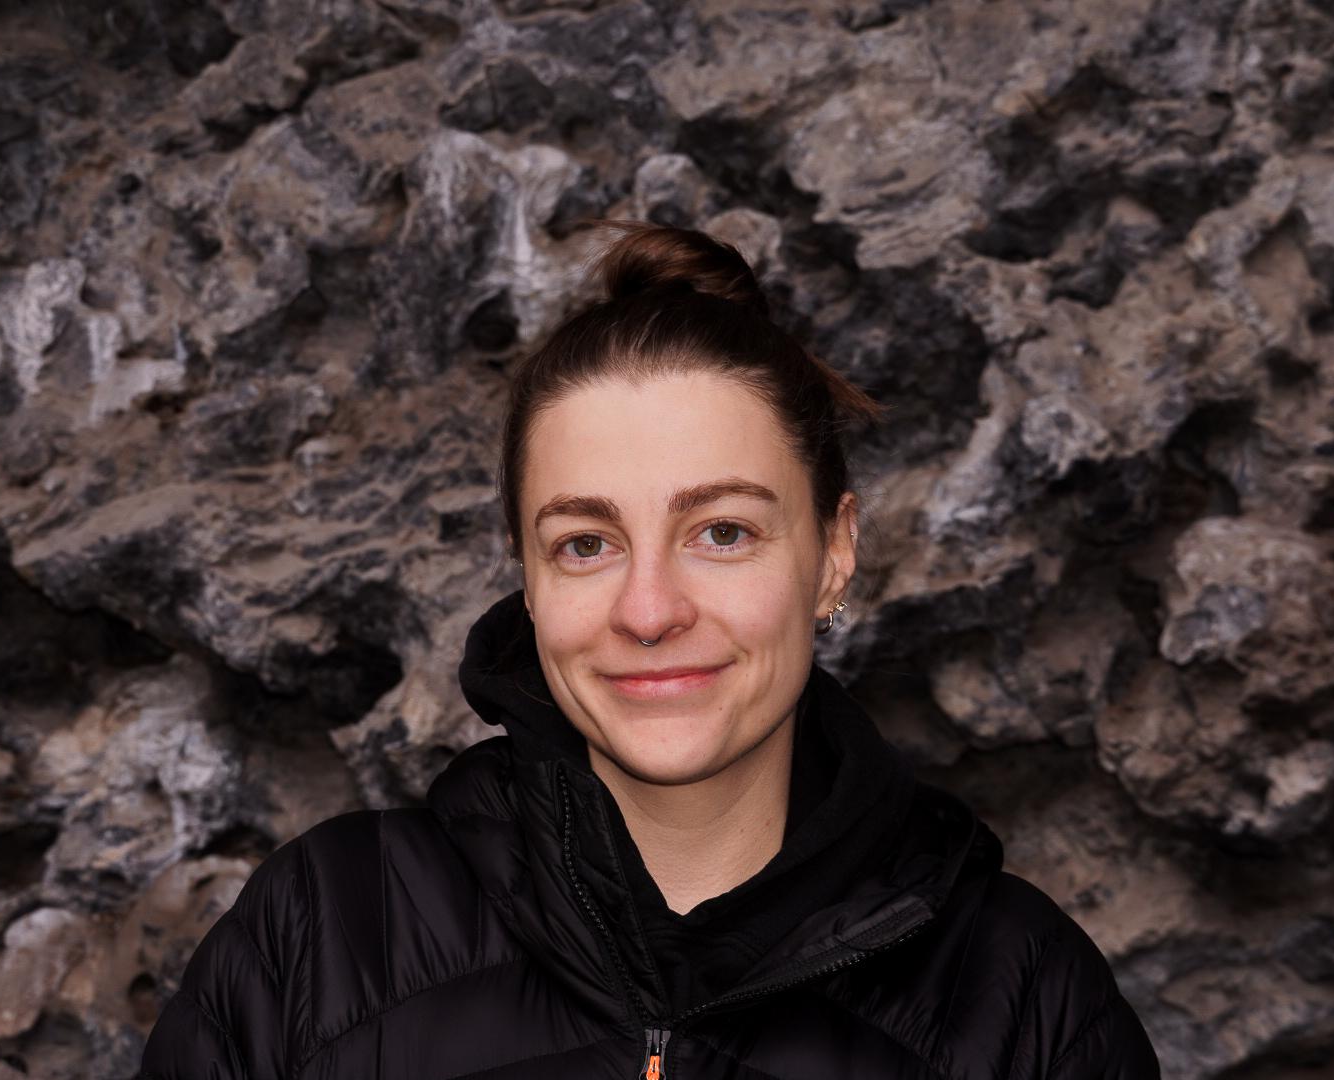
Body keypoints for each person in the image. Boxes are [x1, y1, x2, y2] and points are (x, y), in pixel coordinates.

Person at [138, 221, 1160, 1078]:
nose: (648, 608)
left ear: (833, 553)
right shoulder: (321, 934)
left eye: (722, 531)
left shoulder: (1020, 993)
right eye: (585, 544)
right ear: (527, 579)